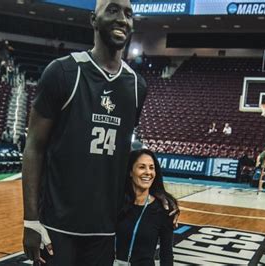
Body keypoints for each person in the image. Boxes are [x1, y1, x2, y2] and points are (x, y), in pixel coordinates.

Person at [22, 0, 178, 264]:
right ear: (93, 20)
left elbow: (125, 154)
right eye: (113, 10)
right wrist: (31, 219)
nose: (122, 19)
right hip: (58, 226)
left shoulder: (137, 87)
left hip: (107, 227)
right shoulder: (63, 72)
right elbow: (34, 147)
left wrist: (159, 193)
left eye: (128, 14)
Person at [116, 149, 176, 265]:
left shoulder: (164, 210)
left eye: (151, 167)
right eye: (142, 167)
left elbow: (166, 254)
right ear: (130, 172)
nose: (148, 172)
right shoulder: (116, 203)